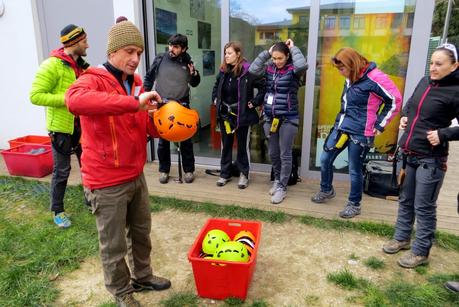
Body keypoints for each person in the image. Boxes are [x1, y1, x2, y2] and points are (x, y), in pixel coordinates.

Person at [66, 19, 171, 306]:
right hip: (105, 181)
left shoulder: (136, 82)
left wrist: (162, 124)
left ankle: (143, 276)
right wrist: (133, 104)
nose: (135, 59)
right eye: (129, 51)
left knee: (140, 233)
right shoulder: (92, 79)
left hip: (135, 174)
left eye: (138, 52)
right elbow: (74, 101)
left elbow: (138, 122)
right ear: (112, 52)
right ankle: (122, 292)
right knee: (113, 246)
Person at [383, 43, 459, 268]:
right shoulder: (424, 81)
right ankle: (402, 238)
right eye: (431, 63)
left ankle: (421, 251)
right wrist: (406, 116)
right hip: (410, 154)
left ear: (454, 66)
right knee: (406, 200)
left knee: (424, 206)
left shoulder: (456, 91)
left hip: (432, 160)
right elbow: (410, 106)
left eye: (439, 64)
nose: (433, 68)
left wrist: (443, 134)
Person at [311, 47, 402, 218]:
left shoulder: (375, 78)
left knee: (354, 169)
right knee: (325, 159)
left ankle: (354, 204)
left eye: (342, 69)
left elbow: (395, 100)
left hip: (361, 132)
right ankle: (326, 190)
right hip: (342, 127)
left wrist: (380, 124)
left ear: (352, 64)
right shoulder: (350, 76)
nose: (340, 73)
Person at [30, 24, 90, 228]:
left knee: (89, 167)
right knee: (62, 171)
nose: (87, 45)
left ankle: (90, 201)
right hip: (61, 129)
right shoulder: (51, 65)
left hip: (83, 127)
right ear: (73, 42)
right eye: (84, 41)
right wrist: (67, 99)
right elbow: (35, 96)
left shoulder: (83, 66)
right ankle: (58, 210)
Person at [249, 39, 307, 204]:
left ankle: (282, 186)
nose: (276, 61)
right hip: (269, 117)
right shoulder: (269, 69)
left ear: (287, 56)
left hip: (288, 118)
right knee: (273, 153)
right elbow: (253, 70)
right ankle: (277, 180)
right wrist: (267, 52)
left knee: (285, 153)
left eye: (280, 58)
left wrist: (294, 48)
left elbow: (303, 66)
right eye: (274, 58)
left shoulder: (294, 71)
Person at [144, 34, 200, 184]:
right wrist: (146, 96)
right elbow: (149, 77)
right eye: (170, 45)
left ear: (184, 49)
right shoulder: (160, 59)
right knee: (163, 141)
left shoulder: (188, 61)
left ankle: (189, 170)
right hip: (163, 105)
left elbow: (195, 83)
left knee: (186, 139)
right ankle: (164, 170)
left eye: (176, 47)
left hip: (182, 106)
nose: (171, 49)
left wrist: (194, 73)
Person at [211, 41, 265, 189]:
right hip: (225, 115)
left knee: (242, 146)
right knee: (226, 145)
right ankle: (225, 174)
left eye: (229, 53)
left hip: (242, 115)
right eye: (225, 53)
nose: (226, 56)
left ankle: (244, 174)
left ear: (238, 54)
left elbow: (263, 86)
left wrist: (254, 102)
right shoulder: (223, 71)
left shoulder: (248, 71)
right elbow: (216, 86)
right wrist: (215, 99)